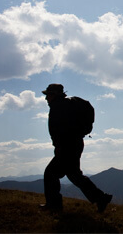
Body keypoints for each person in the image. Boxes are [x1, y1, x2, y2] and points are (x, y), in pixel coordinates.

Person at [40, 83, 112, 213]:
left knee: (50, 173)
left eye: (48, 95)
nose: (46, 98)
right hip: (74, 144)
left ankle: (54, 205)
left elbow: (59, 130)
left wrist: (59, 146)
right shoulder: (68, 105)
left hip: (67, 146)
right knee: (74, 175)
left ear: (53, 95)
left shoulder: (58, 107)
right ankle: (100, 198)